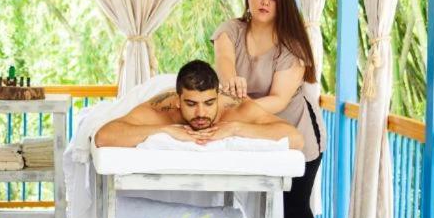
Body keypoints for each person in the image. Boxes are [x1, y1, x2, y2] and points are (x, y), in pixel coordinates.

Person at [212, 0, 325, 218]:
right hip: (255, 130)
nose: (265, 2)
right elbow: (224, 60)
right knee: (265, 209)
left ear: (282, 5)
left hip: (296, 129)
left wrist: (234, 110)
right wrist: (230, 81)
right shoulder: (231, 30)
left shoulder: (291, 46)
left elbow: (278, 100)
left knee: (294, 208)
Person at [94, 59, 302, 150]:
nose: (201, 112)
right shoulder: (163, 110)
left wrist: (235, 129)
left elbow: (296, 139)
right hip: (163, 87)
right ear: (178, 101)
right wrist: (166, 130)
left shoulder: (237, 109)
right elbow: (104, 136)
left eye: (209, 103)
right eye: (191, 104)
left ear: (218, 98)